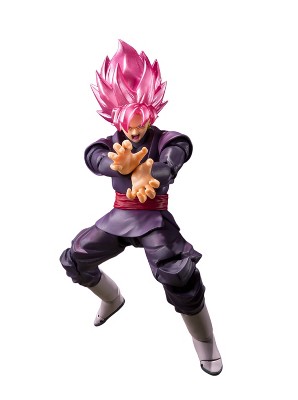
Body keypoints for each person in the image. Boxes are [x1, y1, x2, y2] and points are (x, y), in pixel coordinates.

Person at [60, 40, 223, 375]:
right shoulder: (111, 143)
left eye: (140, 122)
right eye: (128, 124)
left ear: (151, 113)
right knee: (76, 258)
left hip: (154, 221)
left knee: (179, 274)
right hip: (119, 217)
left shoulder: (165, 139)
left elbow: (176, 155)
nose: (134, 130)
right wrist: (118, 166)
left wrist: (154, 171)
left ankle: (206, 342)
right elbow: (94, 157)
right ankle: (112, 298)